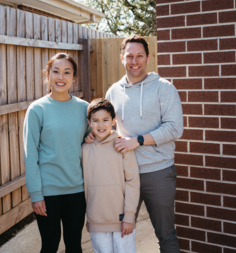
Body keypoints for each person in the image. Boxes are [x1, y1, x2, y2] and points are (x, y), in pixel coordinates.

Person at [85, 35, 184, 253]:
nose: (134, 61)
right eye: (129, 56)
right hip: (122, 174)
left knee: (165, 234)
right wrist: (92, 136)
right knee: (122, 232)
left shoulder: (164, 88)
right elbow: (107, 126)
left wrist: (137, 141)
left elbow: (175, 128)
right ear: (122, 58)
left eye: (139, 56)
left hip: (157, 171)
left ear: (148, 58)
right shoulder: (113, 91)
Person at [24, 53, 89, 253]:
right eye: (56, 71)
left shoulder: (84, 109)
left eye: (67, 72)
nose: (61, 77)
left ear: (73, 78)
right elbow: (30, 155)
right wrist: (36, 194)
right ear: (48, 75)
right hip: (47, 192)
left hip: (77, 191)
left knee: (74, 246)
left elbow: (91, 143)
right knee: (50, 246)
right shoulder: (37, 109)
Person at [82, 98, 140, 253]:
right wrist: (90, 219)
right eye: (95, 121)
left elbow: (133, 181)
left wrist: (129, 216)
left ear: (113, 121)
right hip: (96, 220)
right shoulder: (84, 149)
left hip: (122, 220)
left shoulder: (122, 146)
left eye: (105, 120)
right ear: (89, 123)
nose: (100, 125)